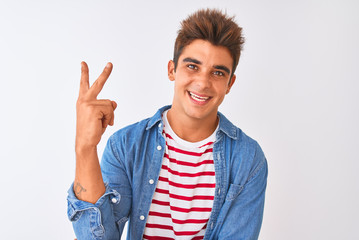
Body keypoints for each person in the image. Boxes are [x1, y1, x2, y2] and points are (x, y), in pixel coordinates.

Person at [67, 8, 268, 240]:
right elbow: (95, 237)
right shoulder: (126, 145)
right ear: (172, 70)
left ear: (230, 83)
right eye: (192, 66)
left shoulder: (248, 158)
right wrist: (85, 147)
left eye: (218, 73)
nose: (203, 83)